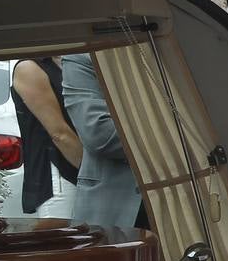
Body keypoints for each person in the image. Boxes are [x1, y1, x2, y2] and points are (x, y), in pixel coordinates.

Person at [62, 53, 142, 229]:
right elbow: (99, 134)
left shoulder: (174, 51)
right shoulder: (83, 57)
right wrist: (170, 135)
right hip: (113, 204)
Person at [11, 57, 79, 217]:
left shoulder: (71, 62)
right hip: (57, 176)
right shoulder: (29, 68)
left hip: (81, 169)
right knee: (65, 237)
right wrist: (94, 171)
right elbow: (59, 133)